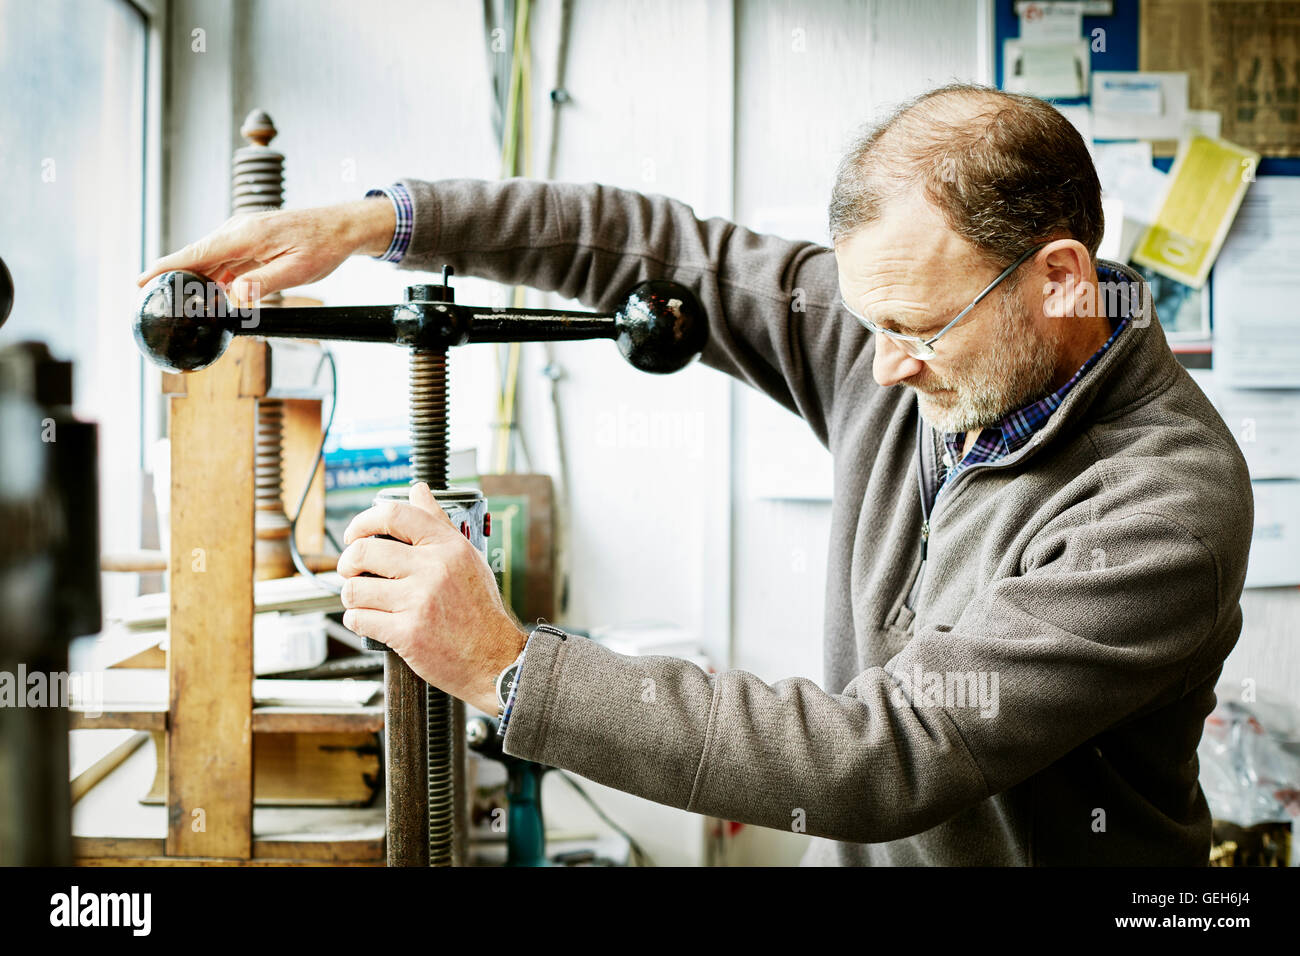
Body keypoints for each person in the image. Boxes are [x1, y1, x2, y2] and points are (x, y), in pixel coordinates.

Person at [138, 84, 1254, 866]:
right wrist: (380, 223)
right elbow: (660, 248)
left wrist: (511, 666)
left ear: (1058, 281)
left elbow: (884, 756)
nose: (875, 365)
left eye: (914, 326)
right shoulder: (921, 343)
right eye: (865, 320)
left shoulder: (1164, 510)